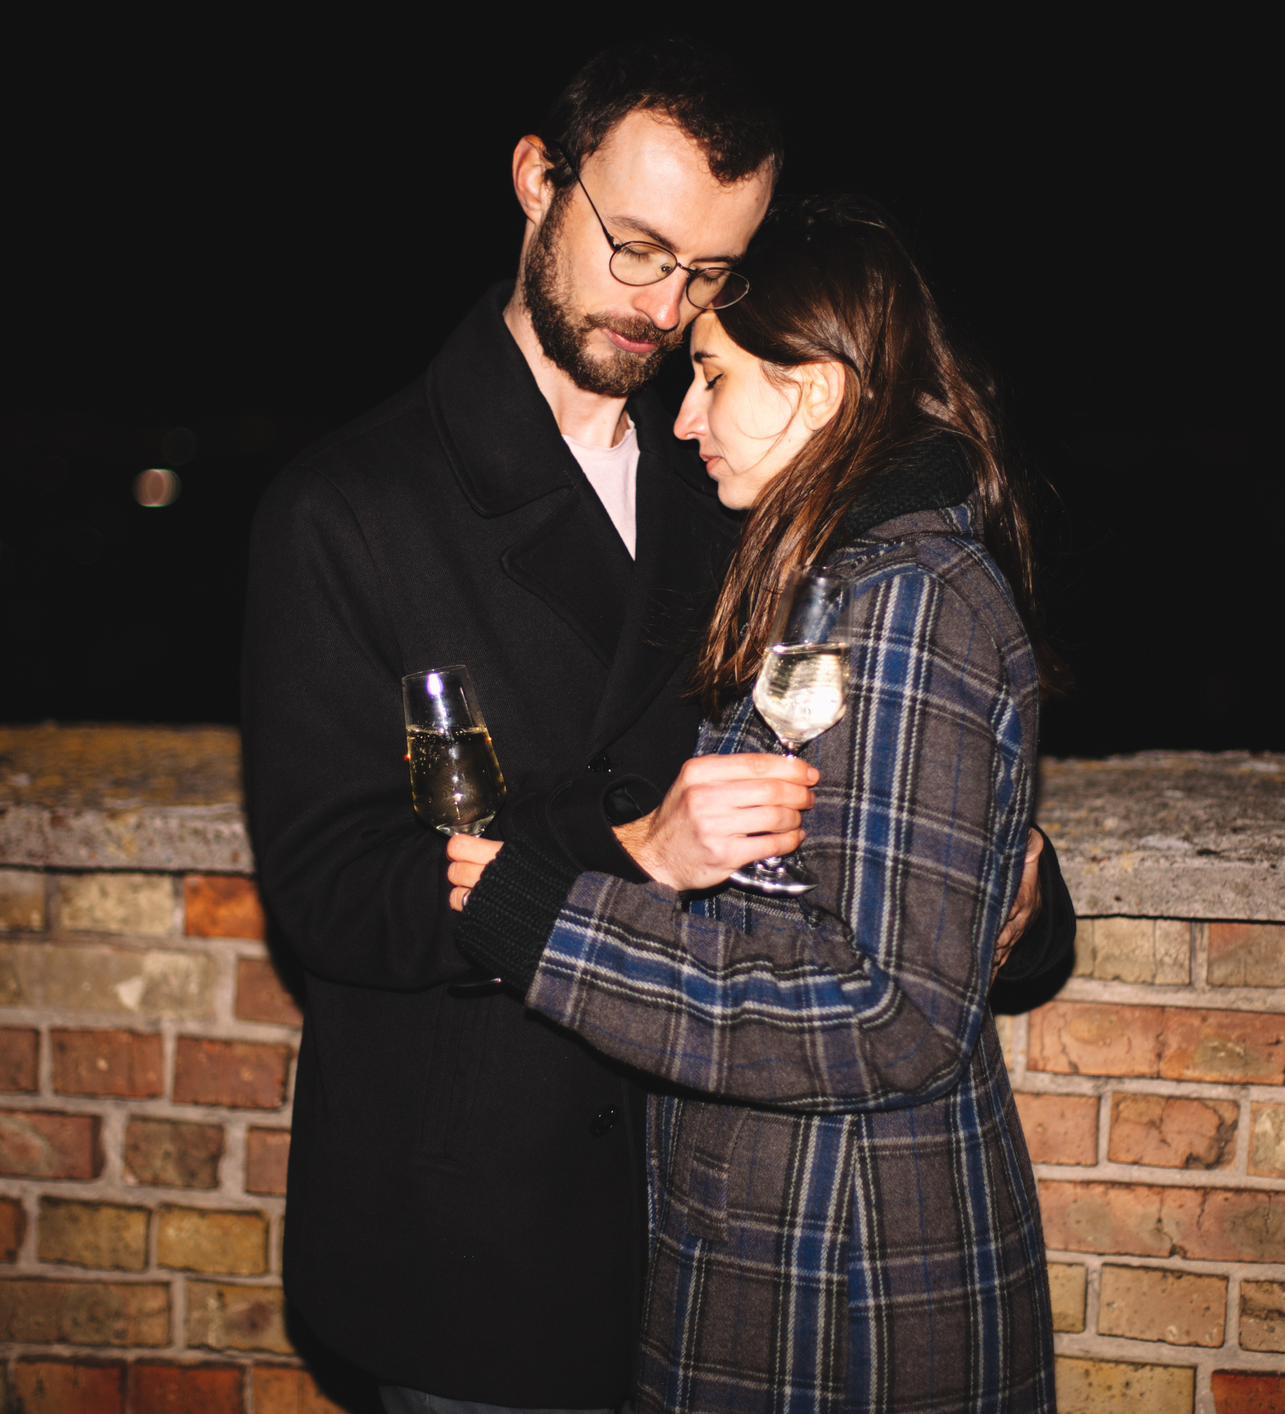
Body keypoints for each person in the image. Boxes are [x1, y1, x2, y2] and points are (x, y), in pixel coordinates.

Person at [241, 42, 790, 1410]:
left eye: (712, 274)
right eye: (639, 248)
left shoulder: (731, 469)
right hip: (464, 1243)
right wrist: (624, 848)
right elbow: (332, 893)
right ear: (538, 179)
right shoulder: (344, 509)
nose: (665, 307)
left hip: (701, 1228)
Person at [447, 197, 1062, 1410]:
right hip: (783, 1243)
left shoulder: (906, 603)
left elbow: (887, 1011)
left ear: (818, 390)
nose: (683, 418)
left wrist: (552, 929)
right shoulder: (836, 583)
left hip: (848, 1284)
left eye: (715, 377)